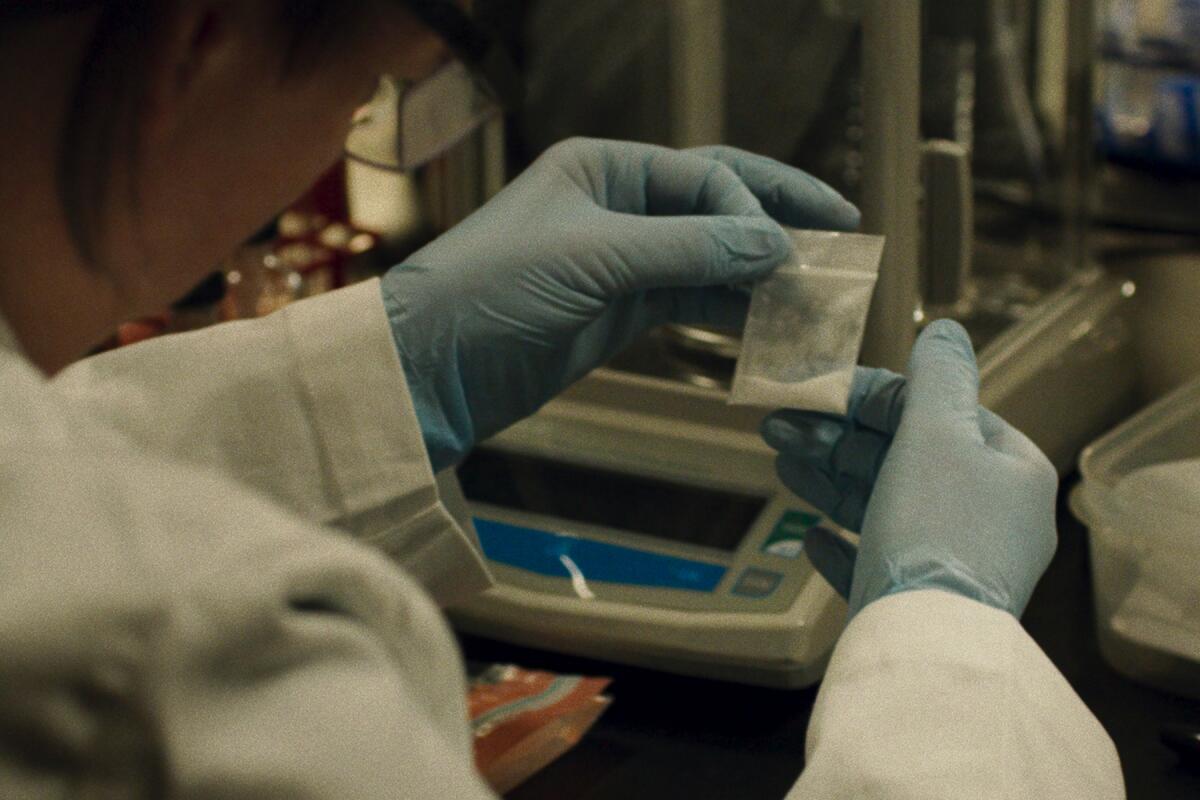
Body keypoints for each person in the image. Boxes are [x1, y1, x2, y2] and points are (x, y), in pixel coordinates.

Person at [0, 2, 1123, 798]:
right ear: (198, 37)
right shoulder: (210, 676)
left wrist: (383, 365)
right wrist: (947, 629)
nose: (334, 141)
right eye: (363, 96)